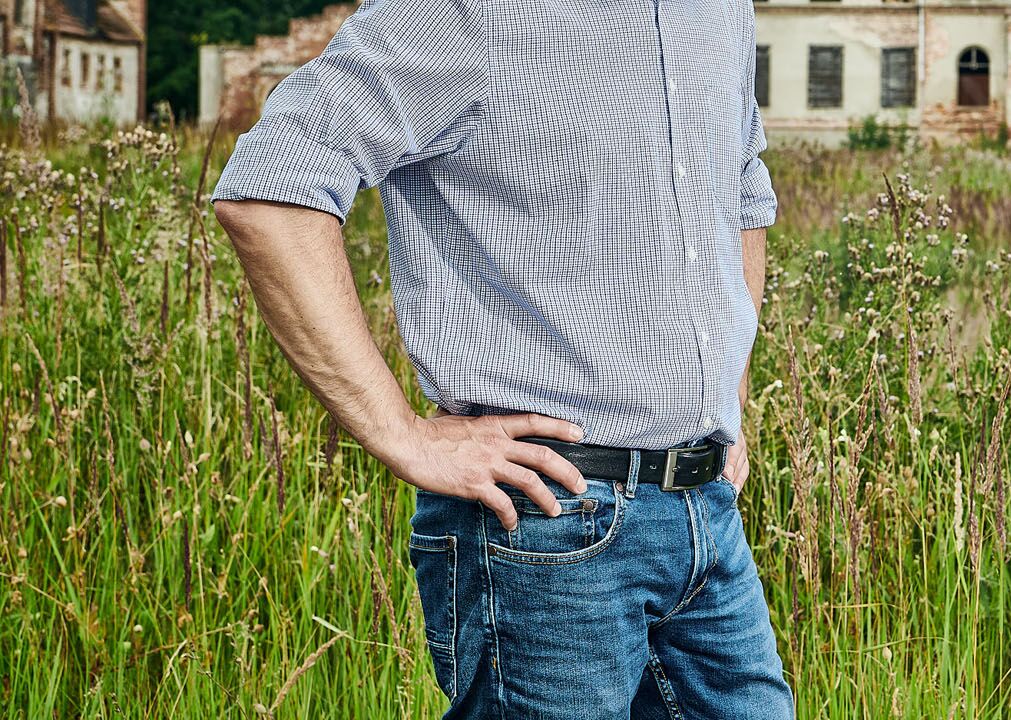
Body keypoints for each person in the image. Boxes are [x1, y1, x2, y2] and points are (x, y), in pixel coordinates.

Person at [209, 0, 791, 716]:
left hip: (706, 513)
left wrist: (727, 393)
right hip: (548, 522)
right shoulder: (468, 9)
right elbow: (272, 187)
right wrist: (401, 433)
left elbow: (741, 190)